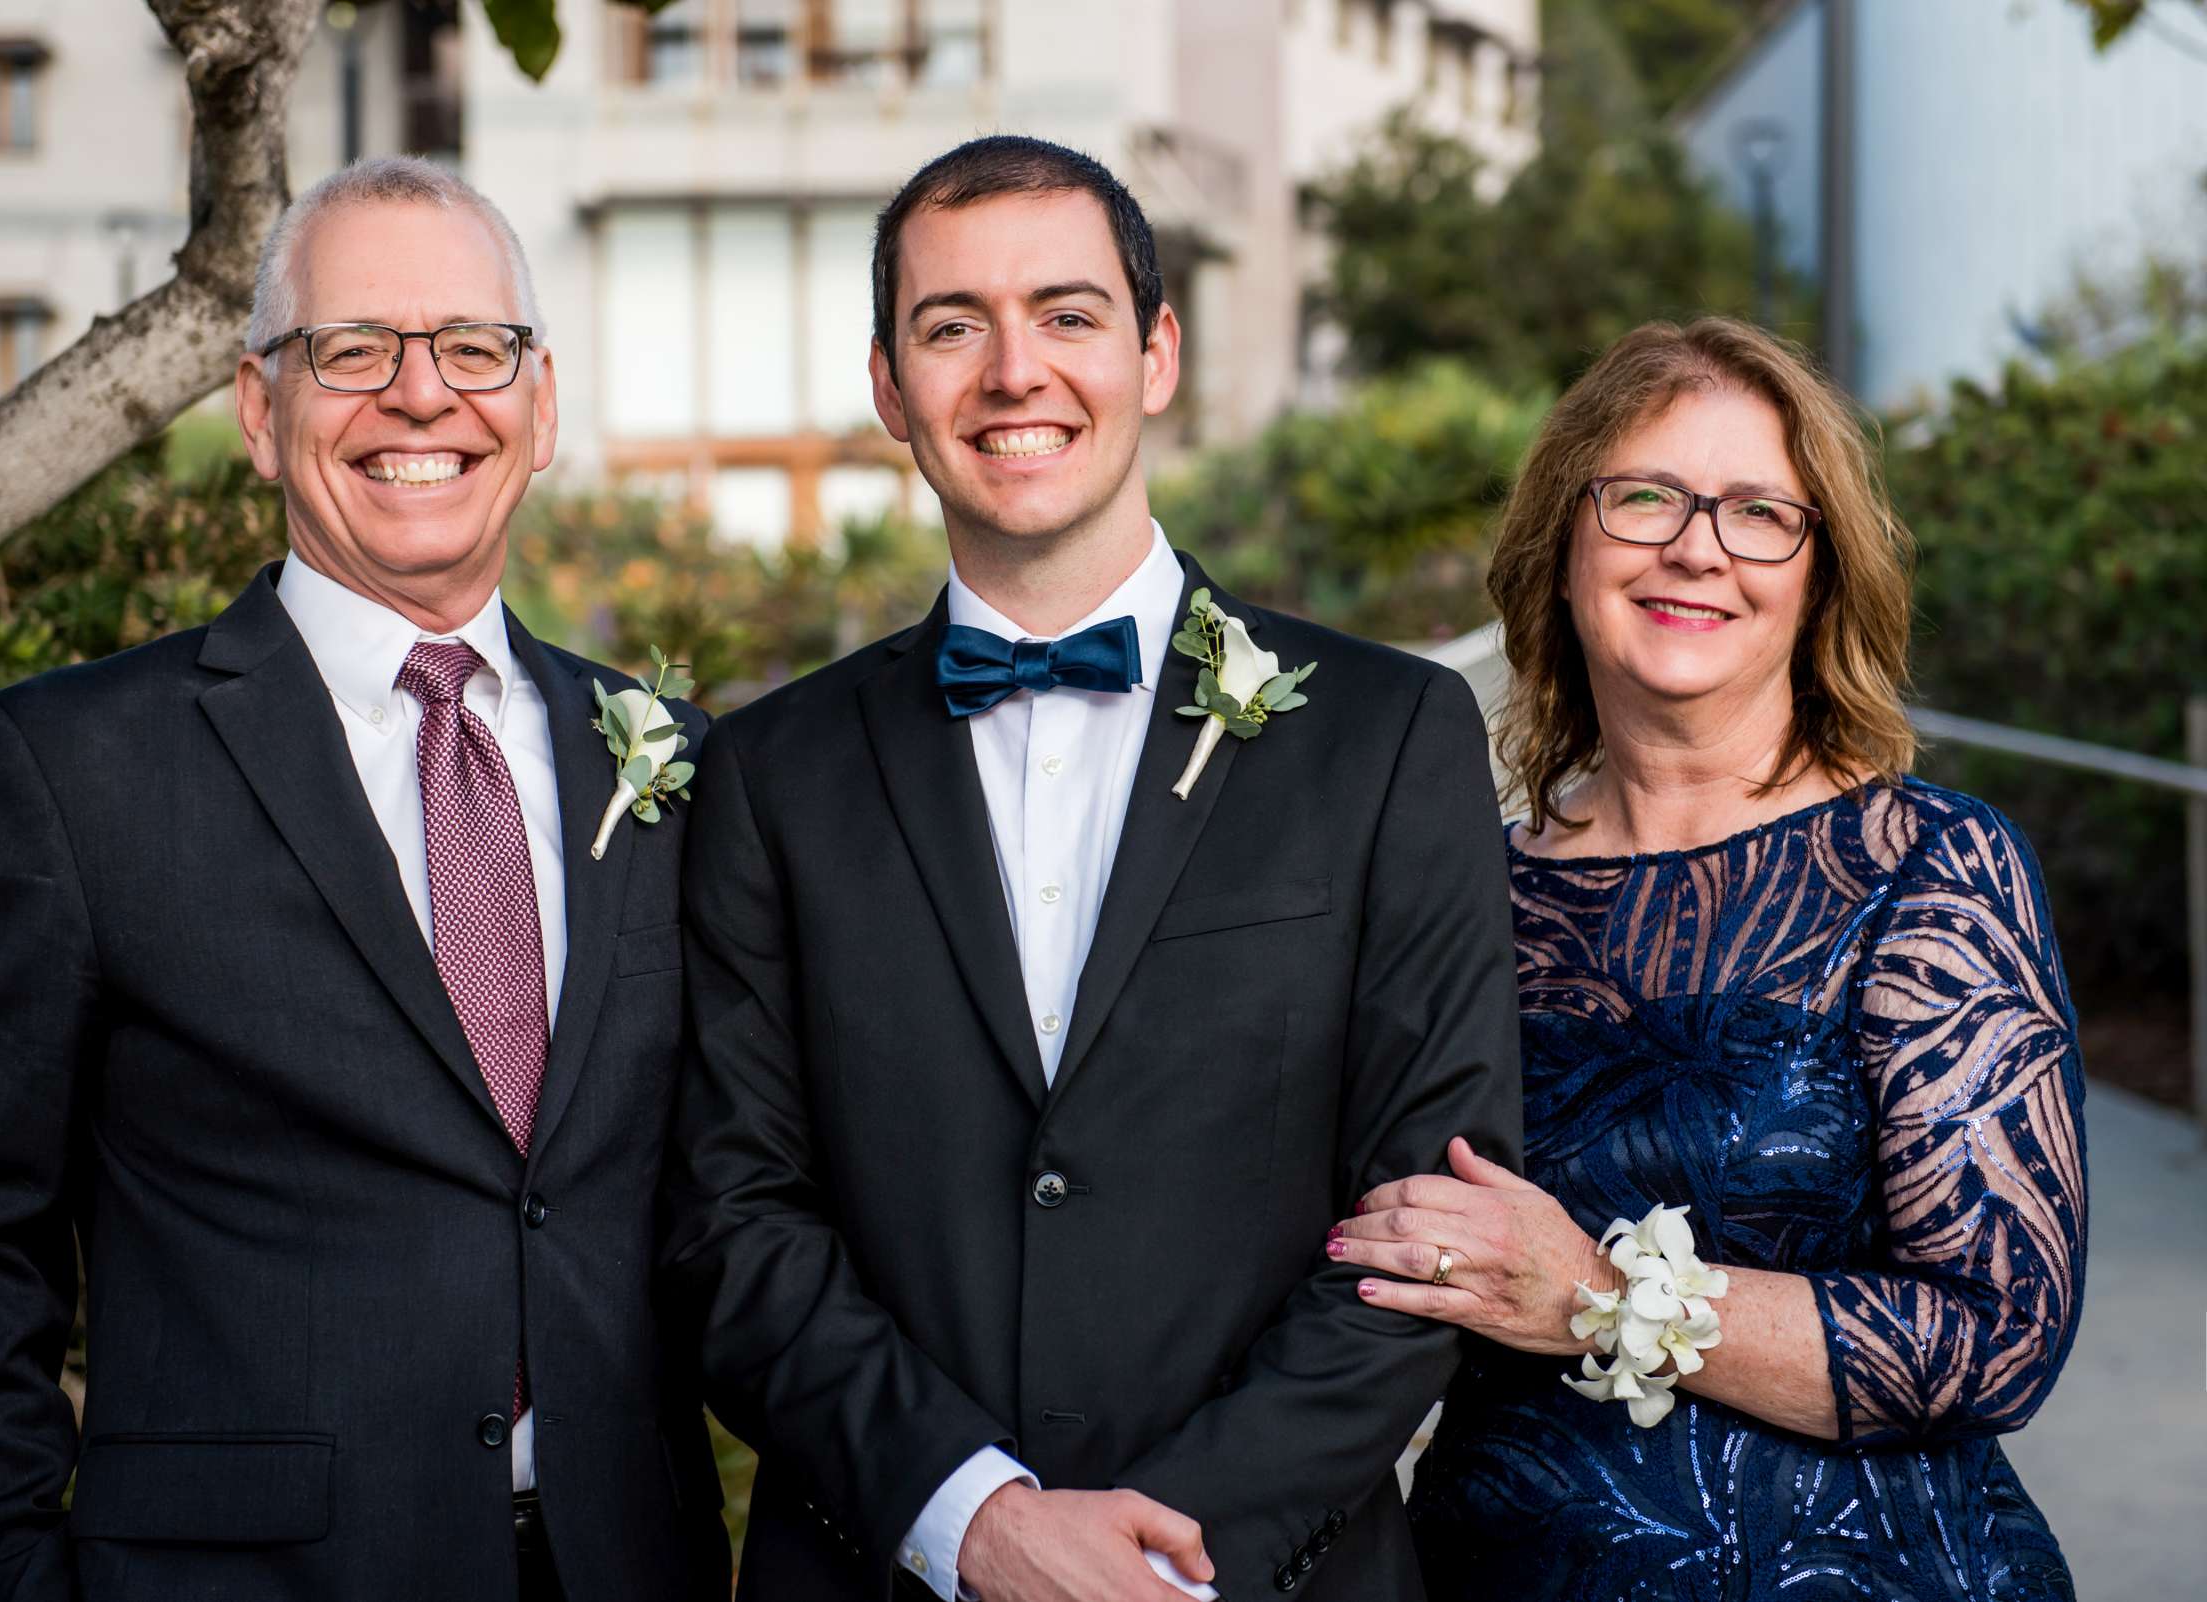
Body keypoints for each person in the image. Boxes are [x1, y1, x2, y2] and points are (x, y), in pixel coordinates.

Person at [661, 134, 1522, 1602]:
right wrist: (978, 1522)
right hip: (891, 1567)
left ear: (1156, 351)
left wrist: (1170, 1553)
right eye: (952, 326)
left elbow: (1436, 1214)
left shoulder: (1387, 737)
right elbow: (733, 1225)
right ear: (890, 386)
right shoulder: (766, 775)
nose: (1014, 373)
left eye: (1066, 315)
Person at [0, 157, 729, 1602]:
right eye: (354, 350)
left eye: (472, 346)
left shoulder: (670, 767)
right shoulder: (70, 770)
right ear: (262, 411)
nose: (422, 394)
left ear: (543, 404)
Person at [1330, 317, 2086, 1599]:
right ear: (1564, 549)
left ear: (1820, 574)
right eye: (1645, 498)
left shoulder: (1930, 871)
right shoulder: (1461, 884)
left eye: (1759, 514)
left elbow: (1998, 1336)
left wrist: (1600, 1294)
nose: (1696, 547)